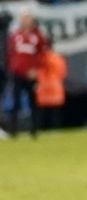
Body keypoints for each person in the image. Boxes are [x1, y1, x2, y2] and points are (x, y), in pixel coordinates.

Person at [6, 10, 47, 138]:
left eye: (28, 19)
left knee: (33, 101)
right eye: (24, 19)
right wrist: (13, 68)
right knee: (16, 102)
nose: (26, 22)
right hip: (18, 73)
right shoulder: (15, 35)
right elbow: (11, 53)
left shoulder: (37, 36)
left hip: (31, 74)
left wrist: (36, 70)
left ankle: (34, 130)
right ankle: (13, 130)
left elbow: (42, 54)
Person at [34, 38, 67, 130]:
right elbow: (63, 73)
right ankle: (55, 130)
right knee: (54, 116)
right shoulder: (58, 58)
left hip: (44, 90)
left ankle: (43, 130)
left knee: (44, 116)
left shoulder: (39, 59)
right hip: (54, 89)